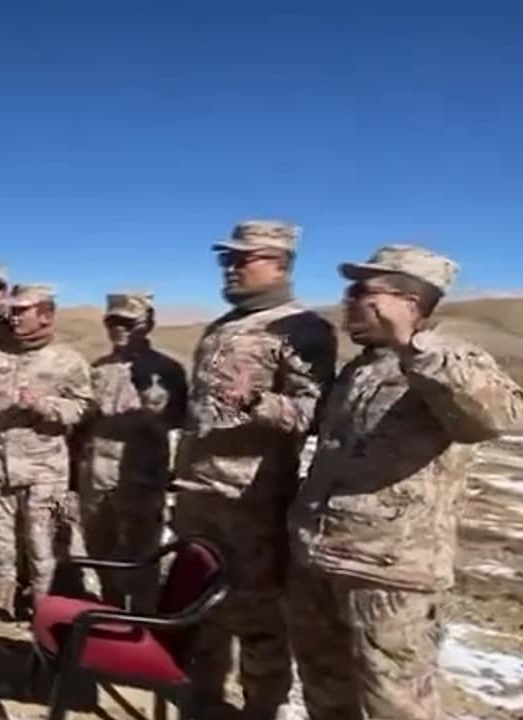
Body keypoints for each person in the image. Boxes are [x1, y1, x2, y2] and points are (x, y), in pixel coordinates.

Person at [287, 245, 523, 720]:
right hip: (319, 560)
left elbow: (493, 419)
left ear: (408, 302)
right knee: (325, 692)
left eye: (361, 291)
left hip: (390, 574)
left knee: (396, 705)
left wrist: (413, 347)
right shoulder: (360, 368)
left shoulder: (452, 357)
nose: (348, 302)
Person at [171, 219, 337, 719]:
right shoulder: (222, 327)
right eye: (227, 259)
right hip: (198, 495)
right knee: (200, 608)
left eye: (243, 259)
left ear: (280, 264)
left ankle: (262, 708)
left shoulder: (302, 329)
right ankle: (202, 700)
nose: (231, 268)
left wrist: (257, 402)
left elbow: (313, 414)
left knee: (257, 618)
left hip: (251, 504)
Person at [0, 284, 93, 620]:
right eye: (12, 311)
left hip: (43, 469)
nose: (13, 317)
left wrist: (44, 405)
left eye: (21, 311)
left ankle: (43, 611)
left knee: (41, 545)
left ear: (45, 315)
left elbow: (84, 408)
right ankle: (1, 600)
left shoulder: (68, 361)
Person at [74, 292, 187, 608]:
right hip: (95, 478)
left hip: (139, 478)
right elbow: (84, 423)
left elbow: (180, 421)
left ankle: (142, 620)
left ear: (146, 324)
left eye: (127, 322)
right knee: (99, 548)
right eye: (112, 321)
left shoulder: (167, 370)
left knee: (140, 556)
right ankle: (110, 613)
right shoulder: (98, 369)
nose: (119, 329)